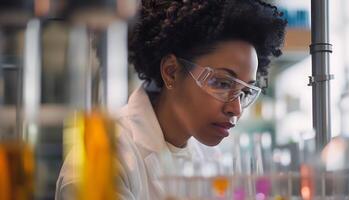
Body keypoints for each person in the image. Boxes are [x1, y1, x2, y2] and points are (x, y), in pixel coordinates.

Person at [56, 0, 287, 199]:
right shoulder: (104, 160)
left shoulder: (213, 157)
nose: (235, 108)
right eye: (222, 83)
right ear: (171, 72)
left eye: (245, 92)